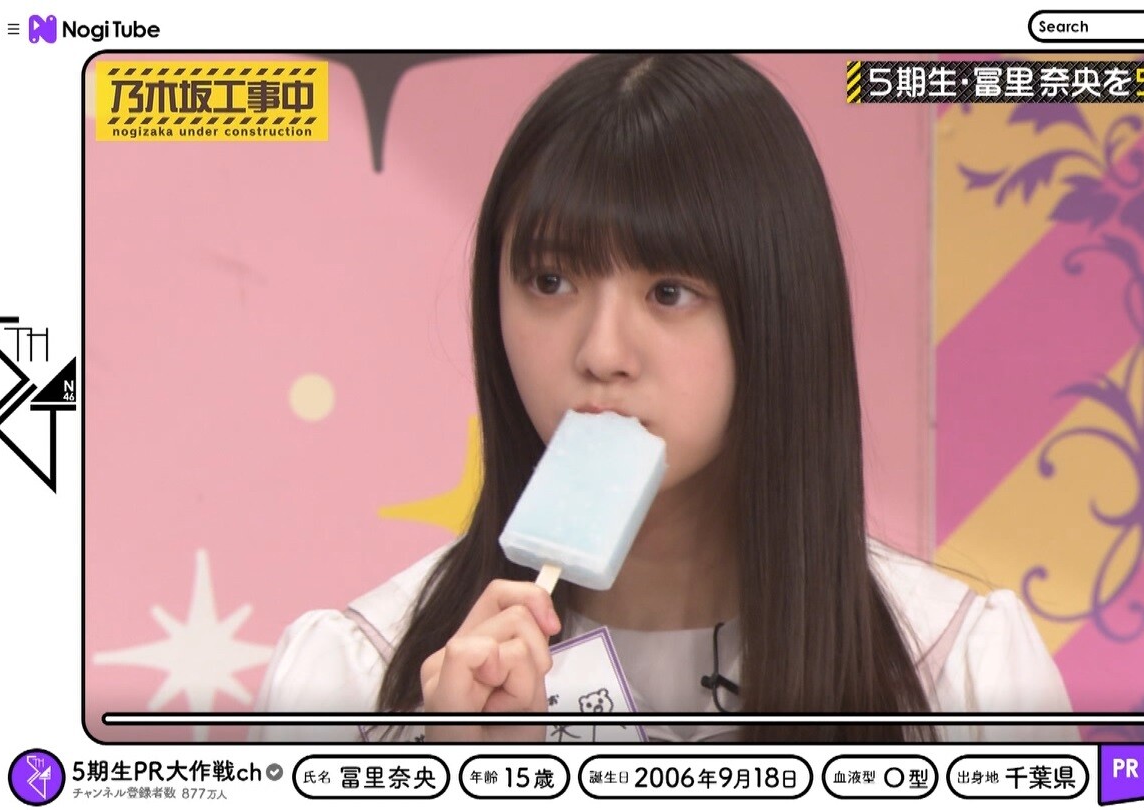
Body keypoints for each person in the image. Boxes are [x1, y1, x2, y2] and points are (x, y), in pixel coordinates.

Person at [250, 54, 1073, 744]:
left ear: (779, 314)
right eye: (550, 281)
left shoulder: (957, 679)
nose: (600, 353)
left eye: (669, 292)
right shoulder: (359, 683)